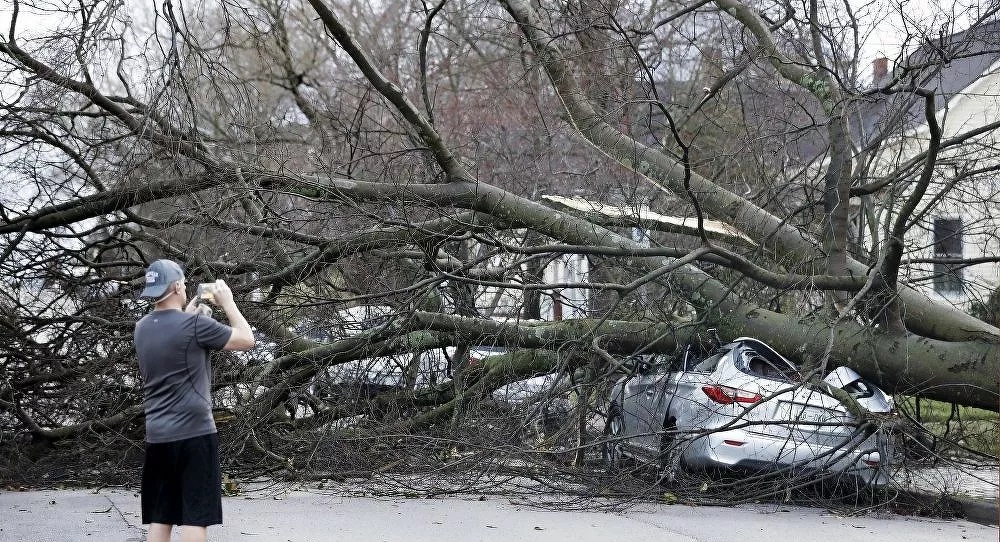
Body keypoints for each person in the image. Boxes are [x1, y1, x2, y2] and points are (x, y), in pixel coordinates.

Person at [134, 259, 255, 542]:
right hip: (194, 434)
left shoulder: (142, 327)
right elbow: (246, 339)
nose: (186, 287)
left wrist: (188, 314)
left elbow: (173, 333)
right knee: (194, 518)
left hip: (158, 436)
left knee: (161, 516)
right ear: (176, 286)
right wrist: (229, 303)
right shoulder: (196, 325)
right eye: (184, 284)